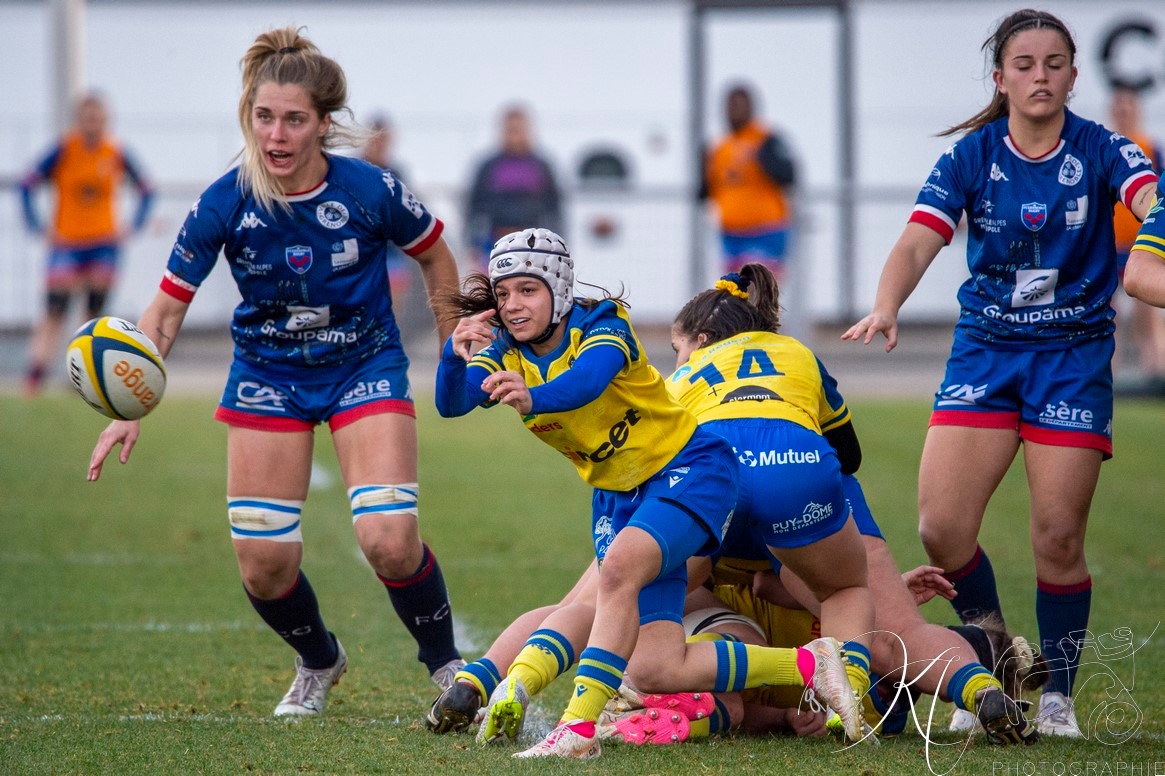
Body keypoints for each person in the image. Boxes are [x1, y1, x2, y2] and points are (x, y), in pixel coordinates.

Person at [86, 26, 465, 717]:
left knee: (388, 540)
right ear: (248, 116)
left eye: (293, 119)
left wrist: (452, 343)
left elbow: (435, 255)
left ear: (323, 123)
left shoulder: (371, 188)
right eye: (264, 117)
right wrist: (127, 406)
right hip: (268, 375)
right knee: (263, 566)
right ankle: (319, 660)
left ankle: (448, 667)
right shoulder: (224, 201)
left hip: (363, 363)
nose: (276, 134)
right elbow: (164, 312)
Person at [842, 9, 1158, 739]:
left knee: (1057, 537)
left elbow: (1148, 198)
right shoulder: (972, 155)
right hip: (985, 351)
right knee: (941, 529)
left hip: (1072, 357)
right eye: (1024, 65)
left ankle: (1058, 700)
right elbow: (917, 241)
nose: (1040, 76)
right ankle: (997, 663)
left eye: (1054, 64)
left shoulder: (1103, 147)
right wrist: (887, 304)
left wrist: (1156, 217)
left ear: (1073, 77)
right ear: (1000, 79)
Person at [434, 227, 864, 759]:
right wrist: (454, 354)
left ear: (559, 288)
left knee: (616, 572)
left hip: (690, 471)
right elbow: (452, 403)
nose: (512, 305)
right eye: (503, 294)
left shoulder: (602, 324)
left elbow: (588, 381)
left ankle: (576, 729)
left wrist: (534, 397)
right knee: (657, 666)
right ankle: (811, 665)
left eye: (528, 289)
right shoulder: (505, 347)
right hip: (619, 494)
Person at [670, 264, 1037, 745]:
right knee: (893, 634)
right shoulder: (796, 354)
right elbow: (848, 454)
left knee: (638, 592)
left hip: (720, 489)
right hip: (813, 485)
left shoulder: (685, 379)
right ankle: (979, 688)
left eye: (677, 349)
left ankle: (606, 685)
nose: (677, 360)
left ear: (700, 339)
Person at [19, 92, 155, 395]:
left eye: (98, 119)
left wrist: (133, 225)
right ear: (78, 120)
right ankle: (34, 378)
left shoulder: (115, 151)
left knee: (93, 315)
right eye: (87, 118)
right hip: (66, 243)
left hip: (104, 243)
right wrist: (37, 225)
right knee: (55, 310)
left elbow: (147, 188)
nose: (93, 124)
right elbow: (27, 183)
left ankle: (83, 379)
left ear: (106, 121)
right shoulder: (65, 149)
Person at [702, 84, 797, 279]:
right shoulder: (719, 148)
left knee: (759, 286)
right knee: (735, 290)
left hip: (766, 231)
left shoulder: (767, 140)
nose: (733, 111)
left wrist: (766, 159)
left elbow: (788, 176)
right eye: (730, 106)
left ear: (751, 108)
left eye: (739, 106)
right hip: (731, 234)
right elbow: (706, 192)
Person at [1108, 85, 1165, 386]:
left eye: (1128, 107)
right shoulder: (1106, 151)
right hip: (1110, 245)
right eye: (1118, 107)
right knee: (1110, 316)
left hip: (1142, 242)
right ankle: (1111, 377)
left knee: (1148, 313)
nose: (1123, 112)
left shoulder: (1151, 148)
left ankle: (1156, 372)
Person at [464, 106, 562, 271]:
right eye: (510, 130)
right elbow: (473, 207)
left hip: (533, 241)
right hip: (495, 239)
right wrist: (472, 244)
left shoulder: (540, 166)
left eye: (518, 129)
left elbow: (554, 208)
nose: (514, 135)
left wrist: (558, 243)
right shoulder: (489, 166)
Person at [358, 112, 423, 335]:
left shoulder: (396, 175)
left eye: (383, 140)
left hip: (391, 252)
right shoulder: (351, 172)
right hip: (360, 252)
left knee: (392, 310)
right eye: (374, 139)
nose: (378, 145)